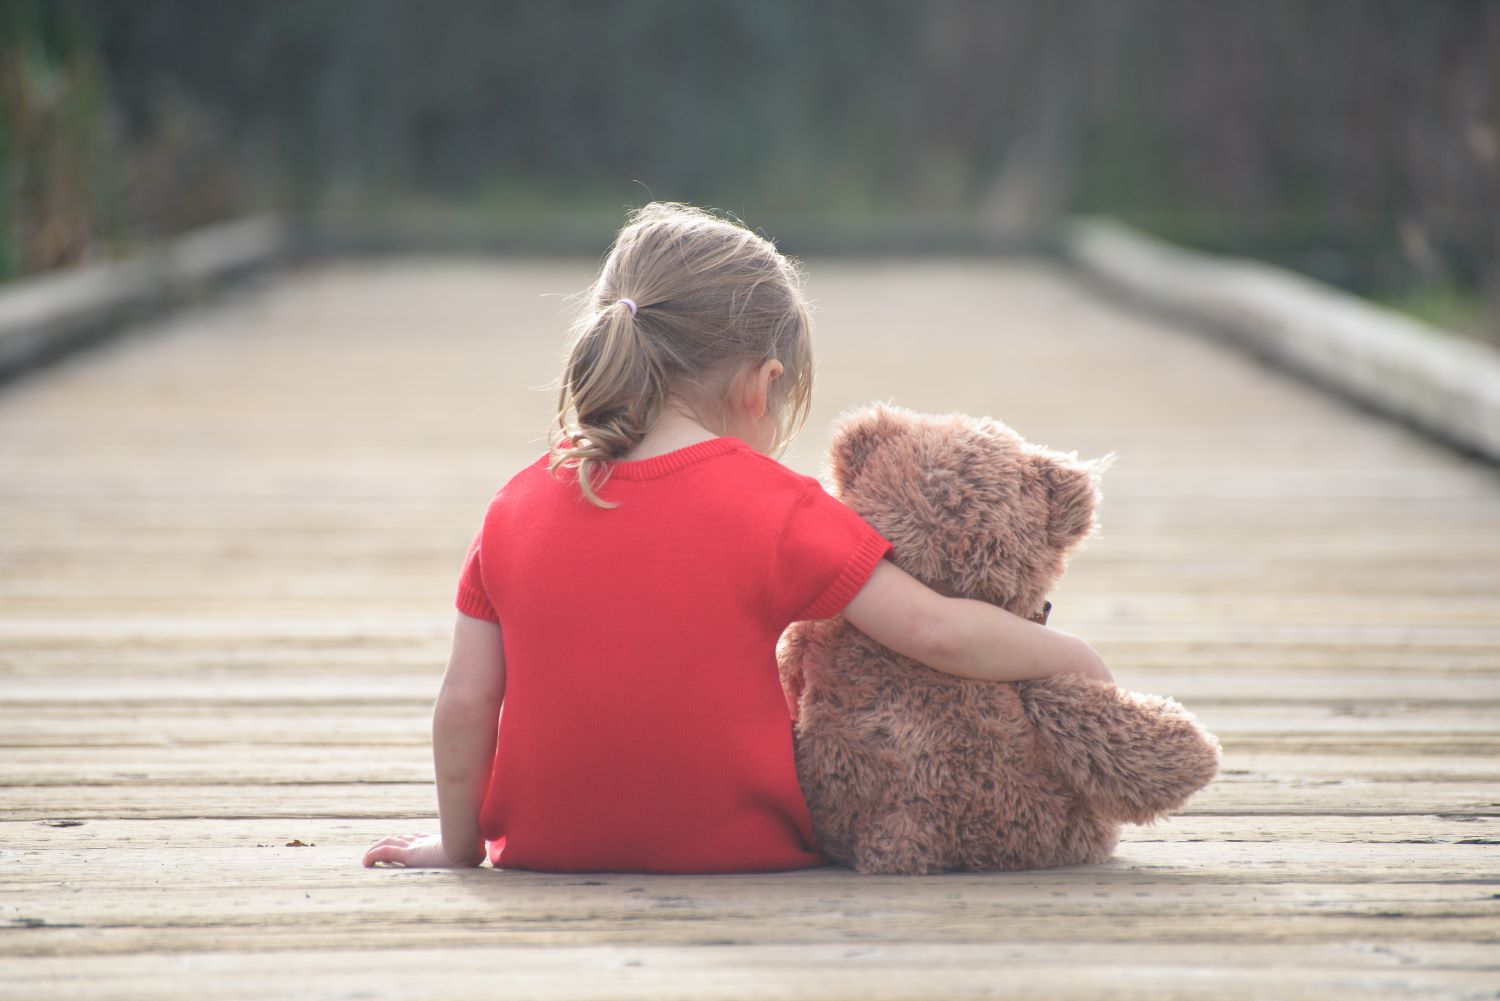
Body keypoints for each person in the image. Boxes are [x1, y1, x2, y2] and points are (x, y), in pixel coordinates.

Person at [361, 202, 1111, 874]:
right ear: (761, 384)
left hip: (542, 850)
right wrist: (1072, 657)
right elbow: (933, 631)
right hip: (742, 848)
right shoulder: (775, 505)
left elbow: (464, 701)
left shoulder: (511, 508)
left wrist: (457, 848)